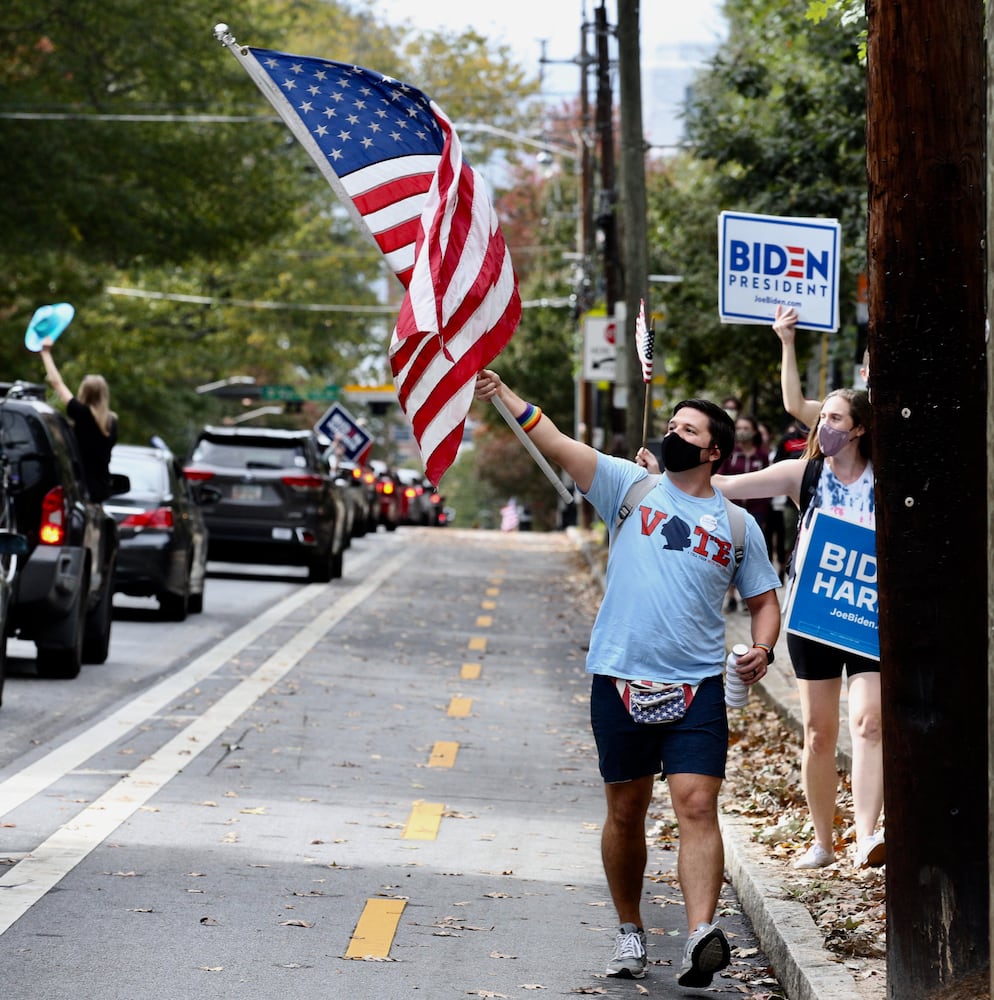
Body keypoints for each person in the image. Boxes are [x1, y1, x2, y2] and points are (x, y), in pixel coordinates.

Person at [474, 369, 781, 986]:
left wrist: (763, 650)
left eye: (688, 431)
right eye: (671, 427)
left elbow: (765, 602)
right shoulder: (628, 487)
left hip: (697, 687)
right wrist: (503, 393)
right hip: (619, 679)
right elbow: (558, 442)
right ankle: (630, 931)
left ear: (714, 450)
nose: (674, 436)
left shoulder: (738, 526)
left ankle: (699, 935)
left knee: (697, 804)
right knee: (626, 810)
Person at [711, 388, 885, 872]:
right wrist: (661, 472)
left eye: (834, 418)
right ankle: (823, 842)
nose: (823, 426)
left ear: (859, 427)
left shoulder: (884, 479)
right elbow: (729, 485)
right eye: (821, 416)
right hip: (813, 616)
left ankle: (867, 837)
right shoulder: (805, 473)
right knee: (818, 732)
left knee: (870, 723)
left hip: (867, 613)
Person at [38, 337, 118, 501]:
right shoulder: (112, 422)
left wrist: (45, 353)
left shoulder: (82, 414)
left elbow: (56, 383)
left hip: (81, 489)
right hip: (101, 489)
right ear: (104, 394)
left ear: (84, 392)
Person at [773, 304, 869, 425]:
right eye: (876, 369)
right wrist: (787, 343)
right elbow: (795, 406)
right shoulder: (852, 412)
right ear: (864, 374)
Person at [717, 415, 771, 611]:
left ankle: (747, 598)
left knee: (751, 555)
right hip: (731, 511)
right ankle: (730, 596)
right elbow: (720, 478)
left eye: (746, 427)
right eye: (739, 427)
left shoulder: (762, 455)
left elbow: (767, 484)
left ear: (754, 431)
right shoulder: (730, 453)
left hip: (756, 511)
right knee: (730, 553)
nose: (742, 431)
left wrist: (764, 512)